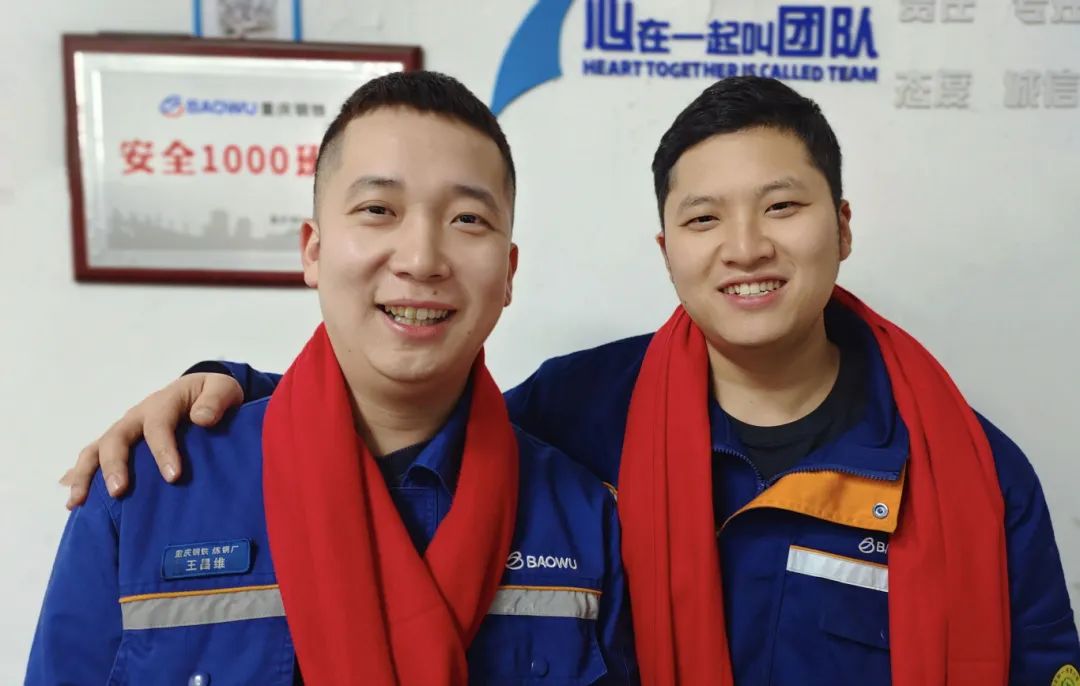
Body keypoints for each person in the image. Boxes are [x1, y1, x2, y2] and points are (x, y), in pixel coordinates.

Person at [62, 76, 1079, 685]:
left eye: (783, 207)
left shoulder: (974, 474)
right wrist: (228, 388)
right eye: (703, 218)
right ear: (667, 249)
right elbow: (397, 408)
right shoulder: (588, 412)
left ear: (842, 226)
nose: (745, 247)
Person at [29, 71, 636, 685]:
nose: (421, 259)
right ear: (313, 251)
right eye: (378, 210)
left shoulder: (582, 516)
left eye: (468, 219)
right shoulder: (149, 489)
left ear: (508, 272)